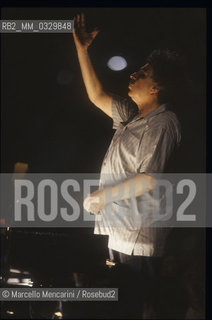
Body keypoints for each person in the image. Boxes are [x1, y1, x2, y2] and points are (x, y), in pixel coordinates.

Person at [73, 13, 185, 318]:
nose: (134, 74)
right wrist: (82, 50)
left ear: (156, 87)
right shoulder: (129, 115)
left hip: (137, 240)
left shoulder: (164, 122)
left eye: (144, 72)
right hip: (117, 231)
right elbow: (96, 94)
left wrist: (101, 197)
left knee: (128, 310)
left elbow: (148, 178)